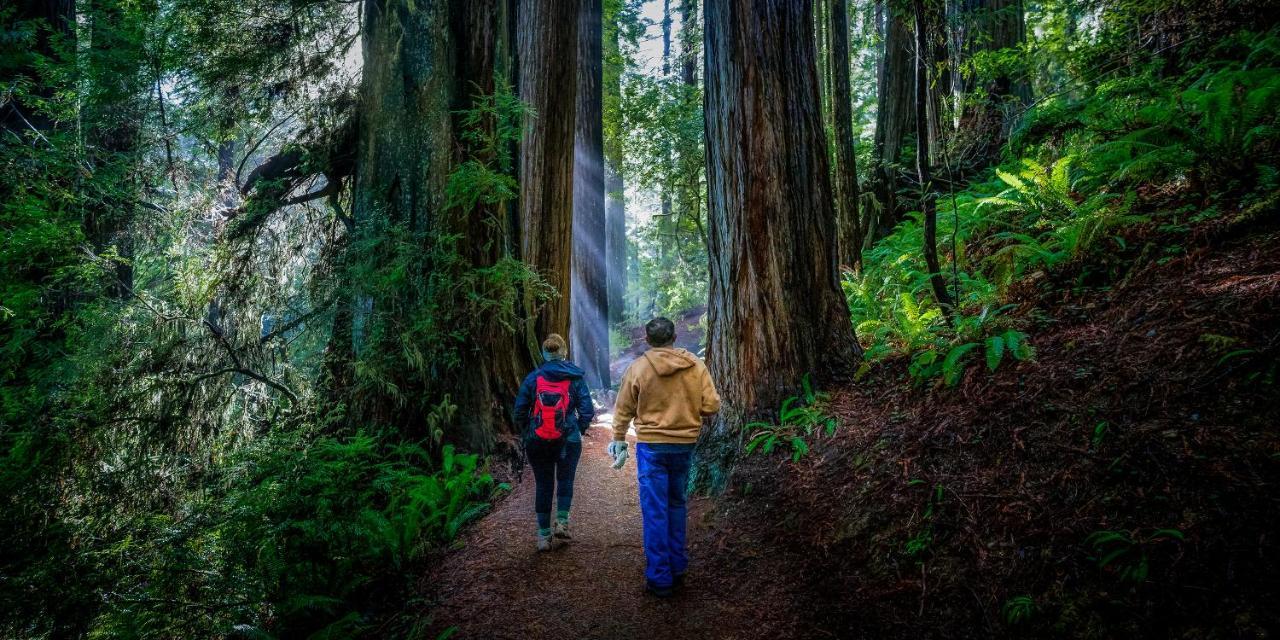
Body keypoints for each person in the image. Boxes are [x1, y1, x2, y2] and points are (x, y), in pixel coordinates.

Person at [609, 317, 721, 597]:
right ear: (674, 337)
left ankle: (659, 577)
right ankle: (678, 566)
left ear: (647, 340)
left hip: (652, 448)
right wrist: (689, 411)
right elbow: (712, 405)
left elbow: (623, 408)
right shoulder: (695, 365)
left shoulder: (639, 367)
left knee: (655, 510)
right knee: (676, 504)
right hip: (684, 446)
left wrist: (619, 438)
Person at [514, 334, 594, 551]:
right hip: (569, 439)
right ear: (564, 351)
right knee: (565, 479)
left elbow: (519, 411)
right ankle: (562, 523)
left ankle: (543, 537)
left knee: (544, 483)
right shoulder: (575, 378)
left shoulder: (533, 378)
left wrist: (529, 431)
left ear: (544, 353)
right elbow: (587, 410)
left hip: (537, 441)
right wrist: (578, 428)